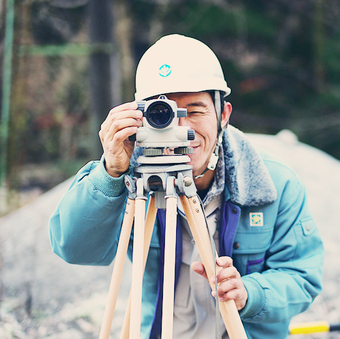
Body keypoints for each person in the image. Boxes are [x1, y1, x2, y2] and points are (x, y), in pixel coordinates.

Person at [49, 34, 324, 339]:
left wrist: (249, 293)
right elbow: (75, 248)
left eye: (194, 111)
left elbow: (303, 278)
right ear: (141, 117)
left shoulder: (275, 183)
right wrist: (110, 173)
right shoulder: (131, 179)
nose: (182, 129)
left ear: (223, 115)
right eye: (163, 114)